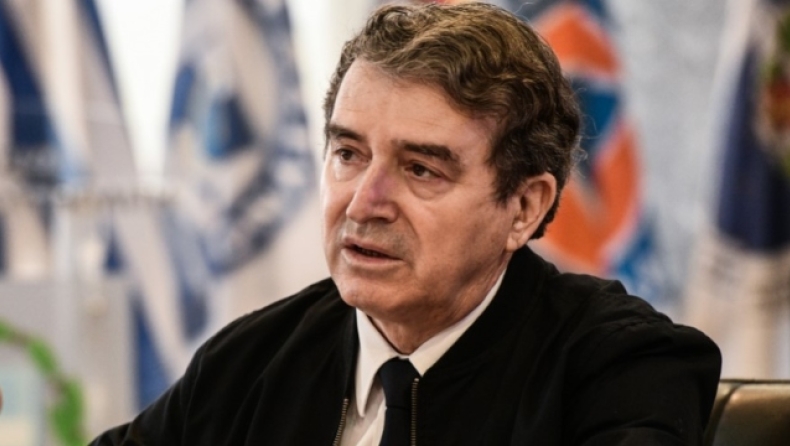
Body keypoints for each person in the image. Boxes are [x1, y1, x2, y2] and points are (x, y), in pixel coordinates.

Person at [92, 3, 721, 445]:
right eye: (348, 154)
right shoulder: (251, 361)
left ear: (524, 207)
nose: (365, 202)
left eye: (421, 169)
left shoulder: (625, 367)